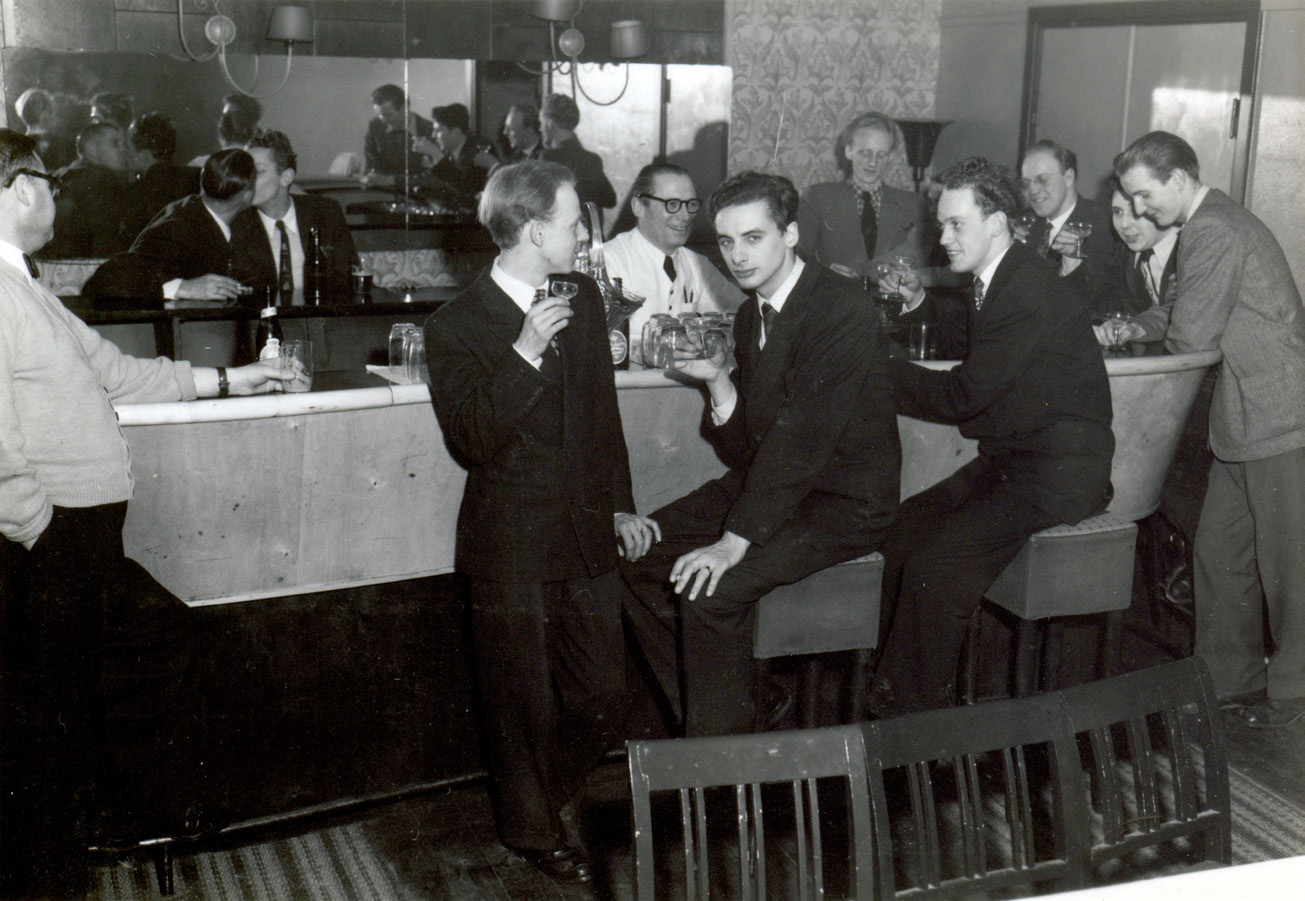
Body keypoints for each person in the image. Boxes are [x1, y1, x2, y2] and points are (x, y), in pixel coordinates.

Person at [0, 128, 286, 900]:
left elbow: (118, 373)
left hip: (79, 540)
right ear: (19, 188)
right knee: (48, 722)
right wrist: (39, 529)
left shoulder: (22, 285)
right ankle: (59, 868)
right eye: (49, 183)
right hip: (51, 542)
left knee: (152, 644)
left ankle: (130, 811)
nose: (56, 195)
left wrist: (232, 379)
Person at [424, 160, 657, 884]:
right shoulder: (454, 325)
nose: (585, 233)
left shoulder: (581, 296)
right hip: (511, 542)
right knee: (520, 702)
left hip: (586, 531)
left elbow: (601, 416)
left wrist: (620, 503)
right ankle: (533, 829)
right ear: (532, 231)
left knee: (606, 692)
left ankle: (534, 800)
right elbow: (471, 439)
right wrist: (523, 352)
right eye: (573, 221)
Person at [620, 171, 900, 737]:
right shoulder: (752, 315)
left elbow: (802, 441)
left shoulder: (841, 306)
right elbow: (748, 448)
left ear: (790, 235)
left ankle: (721, 763)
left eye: (753, 238)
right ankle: (734, 708)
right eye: (726, 241)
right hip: (776, 487)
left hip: (842, 503)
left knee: (711, 591)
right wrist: (718, 381)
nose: (737, 256)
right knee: (636, 556)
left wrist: (733, 541)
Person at [866, 157, 1113, 719]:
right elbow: (977, 336)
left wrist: (877, 370)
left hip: (1059, 472)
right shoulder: (1002, 276)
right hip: (1017, 462)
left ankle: (914, 724)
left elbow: (963, 396)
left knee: (936, 565)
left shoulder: (1026, 287)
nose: (943, 239)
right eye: (942, 225)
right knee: (901, 531)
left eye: (957, 224)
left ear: (997, 223)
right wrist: (917, 304)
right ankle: (890, 691)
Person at [1115, 131, 1305, 729]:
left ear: (1177, 179)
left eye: (1144, 195)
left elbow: (1193, 335)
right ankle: (1229, 682)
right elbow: (1186, 309)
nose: (1140, 210)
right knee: (1220, 551)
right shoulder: (1207, 224)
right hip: (1244, 417)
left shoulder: (1212, 229)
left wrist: (1157, 340)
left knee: (1289, 564)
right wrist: (1134, 326)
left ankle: (1295, 696)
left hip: (1277, 415)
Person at [603, 161, 744, 360]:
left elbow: (744, 313)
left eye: (691, 204)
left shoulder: (697, 264)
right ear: (639, 207)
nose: (685, 216)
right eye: (672, 204)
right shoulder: (609, 260)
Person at [82, 148, 257, 306]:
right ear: (248, 195)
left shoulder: (241, 222)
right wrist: (182, 288)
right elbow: (105, 281)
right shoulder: (177, 228)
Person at [796, 111, 932, 281]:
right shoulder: (817, 198)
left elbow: (922, 264)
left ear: (891, 157)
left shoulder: (914, 205)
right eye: (865, 153)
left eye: (881, 155)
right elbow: (796, 259)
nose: (873, 162)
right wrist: (825, 274)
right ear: (849, 151)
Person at [231, 129, 357, 303]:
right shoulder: (237, 222)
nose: (246, 181)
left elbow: (348, 278)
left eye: (258, 172)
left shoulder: (326, 212)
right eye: (245, 172)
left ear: (286, 177)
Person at [1017, 139, 1121, 317]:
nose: (1032, 191)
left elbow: (1103, 304)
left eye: (1042, 180)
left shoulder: (1104, 226)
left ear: (1068, 178)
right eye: (1026, 183)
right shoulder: (1026, 224)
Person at [1092, 175, 1178, 348]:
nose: (1124, 224)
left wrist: (1136, 327)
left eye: (1135, 212)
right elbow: (1104, 301)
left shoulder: (1191, 249)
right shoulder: (1126, 251)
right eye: (1118, 212)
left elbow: (1176, 312)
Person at [43, 121, 132, 259]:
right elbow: (106, 239)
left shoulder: (57, 176)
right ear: (92, 148)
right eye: (115, 143)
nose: (124, 151)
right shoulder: (104, 179)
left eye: (124, 145)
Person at [122, 111, 201, 244]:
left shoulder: (136, 194)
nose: (124, 152)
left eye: (127, 147)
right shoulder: (198, 177)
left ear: (144, 156)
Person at [410, 103, 497, 207]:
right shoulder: (449, 152)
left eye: (438, 130)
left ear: (455, 132)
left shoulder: (479, 147)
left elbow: (464, 187)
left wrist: (436, 153)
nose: (433, 135)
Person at [540, 93, 616, 210]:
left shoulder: (547, 158)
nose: (540, 129)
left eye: (541, 123)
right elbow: (610, 200)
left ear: (549, 124)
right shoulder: (591, 159)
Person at [364, 83, 433, 178]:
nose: (383, 121)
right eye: (380, 116)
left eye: (388, 115)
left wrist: (393, 181)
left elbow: (432, 176)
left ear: (405, 108)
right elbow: (370, 166)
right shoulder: (374, 127)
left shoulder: (429, 130)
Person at [15, 86, 75, 172]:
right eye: (53, 112)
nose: (56, 118)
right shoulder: (62, 145)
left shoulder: (17, 146)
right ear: (45, 114)